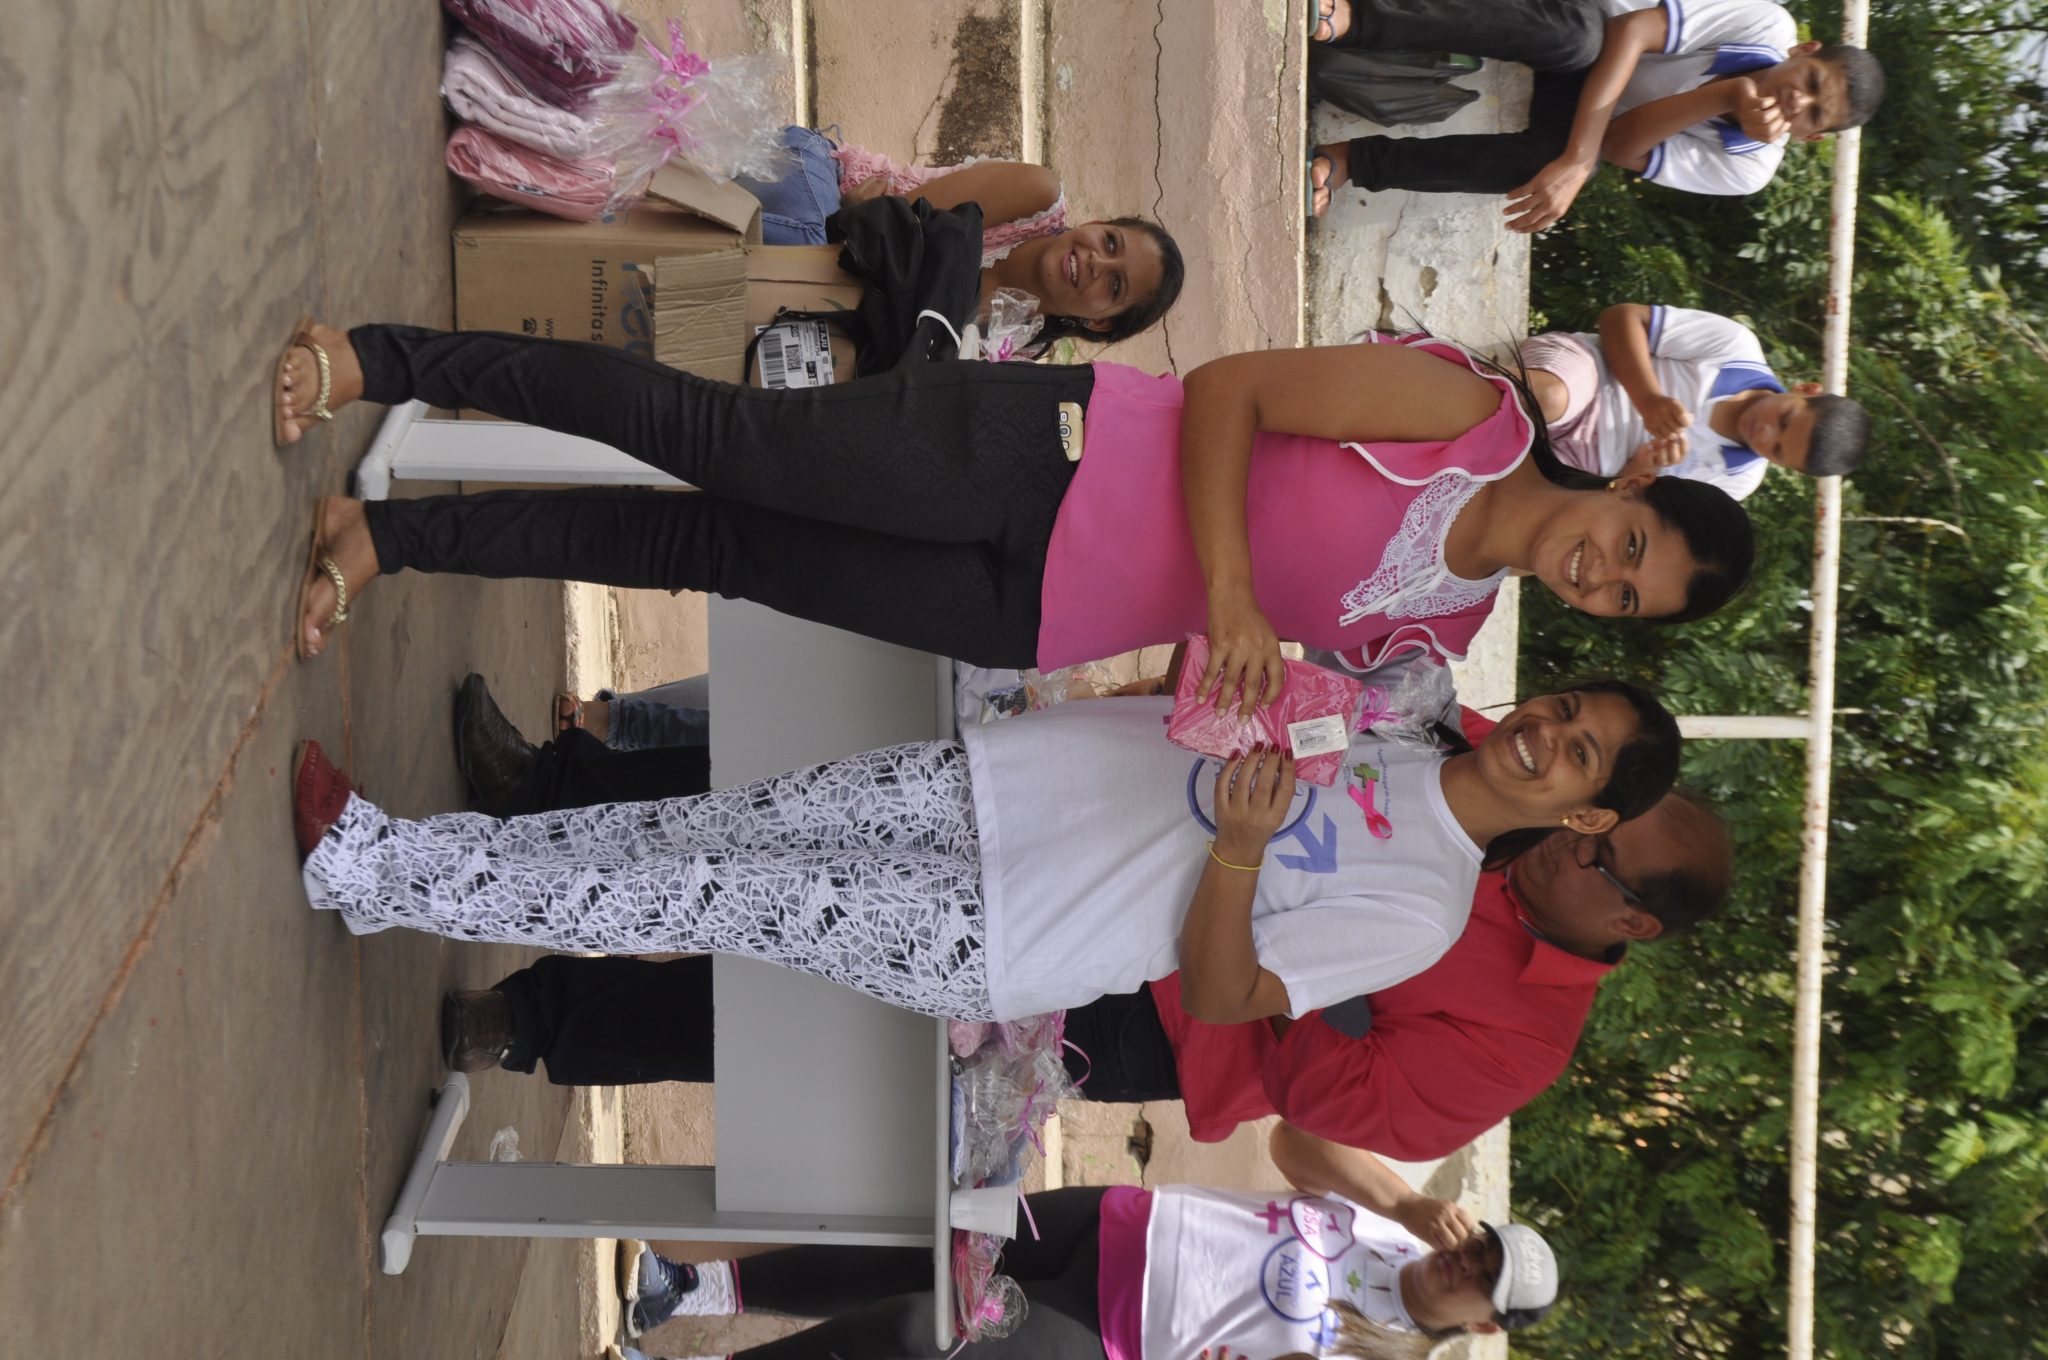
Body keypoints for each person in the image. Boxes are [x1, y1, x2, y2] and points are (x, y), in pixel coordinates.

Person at [440, 706, 1731, 1166]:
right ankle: (550, 790)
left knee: (814, 1005)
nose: (1566, 842)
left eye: (1596, 852)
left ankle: (540, 1021)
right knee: (795, 809)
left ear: (1630, 919)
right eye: (1583, 824)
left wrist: (1274, 928)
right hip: (1109, 816)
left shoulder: (1519, 1039)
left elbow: (1337, 1097)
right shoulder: (1487, 769)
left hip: (1140, 1011)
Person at [275, 325, 1753, 695]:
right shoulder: (1470, 417)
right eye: (1628, 544)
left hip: (1027, 616)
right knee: (714, 439)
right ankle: (378, 362)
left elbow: (1233, 663)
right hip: (1035, 454)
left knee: (704, 550)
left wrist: (1223, 689)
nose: (1598, 573)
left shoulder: (1435, 636)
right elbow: (1230, 390)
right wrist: (1236, 596)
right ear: (1628, 483)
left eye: (1624, 598)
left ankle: (392, 538)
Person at [293, 672, 1684, 1024]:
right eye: (1562, 708)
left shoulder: (1424, 909)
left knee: (704, 890)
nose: (1544, 734)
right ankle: (400, 870)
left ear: (1585, 817)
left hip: (1006, 928)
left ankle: (371, 865)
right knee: (691, 831)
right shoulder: (1401, 715)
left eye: (1574, 755)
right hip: (997, 781)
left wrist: (1242, 852)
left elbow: (1223, 996)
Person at [611, 1122, 1559, 1358]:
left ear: (1483, 1323)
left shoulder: (1382, 1353)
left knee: (909, 1335)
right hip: (1110, 1222)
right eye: (1482, 1244)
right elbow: (1291, 1143)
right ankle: (684, 1291)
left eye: (1483, 1278)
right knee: (917, 1250)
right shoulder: (1394, 1225)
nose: (1464, 1259)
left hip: (1106, 1332)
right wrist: (1404, 1201)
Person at [1307, 0, 1884, 229]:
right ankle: (1360, 16)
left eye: (1814, 114)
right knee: (1578, 41)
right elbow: (1631, 30)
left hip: (1591, 112)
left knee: (1544, 169)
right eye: (1812, 83)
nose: (1799, 102)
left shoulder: (1749, 168)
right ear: (1804, 51)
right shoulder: (1767, 26)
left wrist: (1727, 96)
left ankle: (1351, 162)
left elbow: (1618, 144)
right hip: (1583, 20)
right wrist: (1581, 159)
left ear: (1809, 139)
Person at [1520, 302, 1872, 500]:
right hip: (1589, 376)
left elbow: (1621, 504)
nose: (1765, 434)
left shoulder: (1738, 482)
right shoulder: (1736, 348)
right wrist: (1648, 399)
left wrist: (1640, 468)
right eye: (1784, 420)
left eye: (1777, 451)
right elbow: (1620, 318)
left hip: (1586, 469)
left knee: (1535, 509)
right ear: (1806, 389)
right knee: (1549, 398)